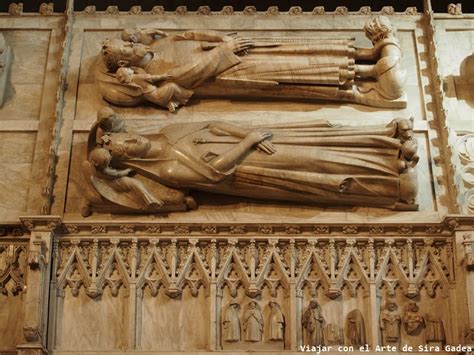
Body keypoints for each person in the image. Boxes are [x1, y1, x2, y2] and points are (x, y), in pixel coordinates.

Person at [86, 108, 418, 211]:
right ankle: (393, 184)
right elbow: (214, 174)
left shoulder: (171, 131)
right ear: (125, 160)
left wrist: (244, 132)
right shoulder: (168, 170)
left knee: (322, 138)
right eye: (124, 147)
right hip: (252, 168)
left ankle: (388, 145)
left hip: (257, 141)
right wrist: (246, 141)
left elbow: (211, 124)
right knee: (319, 167)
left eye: (126, 136)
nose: (133, 140)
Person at [97, 17, 408, 109]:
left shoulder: (161, 45)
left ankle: (366, 56)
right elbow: (190, 75)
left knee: (296, 51)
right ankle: (367, 77)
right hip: (230, 71)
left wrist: (221, 38)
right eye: (127, 47)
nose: (132, 44)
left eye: (128, 41)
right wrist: (223, 51)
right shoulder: (152, 73)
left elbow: (190, 33)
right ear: (126, 60)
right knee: (294, 73)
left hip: (235, 48)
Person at [115, 67, 193, 112]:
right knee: (172, 86)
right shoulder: (137, 77)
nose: (129, 68)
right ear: (126, 73)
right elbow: (151, 78)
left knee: (170, 89)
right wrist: (163, 76)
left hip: (154, 99)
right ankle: (186, 97)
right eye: (127, 69)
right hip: (157, 94)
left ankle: (172, 103)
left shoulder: (131, 83)